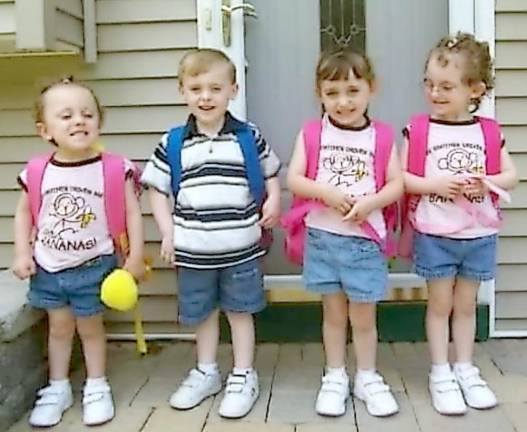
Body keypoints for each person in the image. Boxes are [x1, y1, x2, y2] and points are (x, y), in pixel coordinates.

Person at [141, 48, 281, 419]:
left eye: (215, 88)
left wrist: (274, 202)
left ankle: (242, 373)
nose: (206, 96)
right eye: (196, 88)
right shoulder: (173, 142)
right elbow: (156, 189)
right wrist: (168, 232)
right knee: (201, 313)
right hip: (193, 249)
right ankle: (206, 371)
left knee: (240, 311)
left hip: (241, 247)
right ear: (182, 92)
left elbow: (270, 173)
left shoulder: (248, 137)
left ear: (232, 90)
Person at [12, 77, 145, 427]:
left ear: (99, 121)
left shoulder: (114, 168)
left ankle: (96, 385)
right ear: (45, 130)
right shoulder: (38, 171)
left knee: (90, 327)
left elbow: (132, 213)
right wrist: (22, 254)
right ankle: (58, 387)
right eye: (66, 115)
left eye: (87, 114)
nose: (78, 121)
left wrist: (134, 259)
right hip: (49, 267)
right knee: (58, 328)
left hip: (94, 265)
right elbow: (25, 212)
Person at [401, 32, 518, 415]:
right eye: (429, 84)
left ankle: (465, 367)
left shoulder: (487, 131)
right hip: (435, 233)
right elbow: (403, 179)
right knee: (439, 305)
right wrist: (435, 184)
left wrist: (485, 182)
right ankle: (440, 372)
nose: (435, 93)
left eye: (446, 86)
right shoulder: (419, 130)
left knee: (466, 306)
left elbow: (511, 176)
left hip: (478, 236)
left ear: (475, 90)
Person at [286, 48, 403, 417]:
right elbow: (294, 179)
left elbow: (397, 184)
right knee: (334, 316)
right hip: (322, 240)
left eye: (353, 91)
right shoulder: (311, 133)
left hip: (365, 243)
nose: (343, 101)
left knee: (364, 318)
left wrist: (370, 203)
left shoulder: (381, 136)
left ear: (372, 88)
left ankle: (367, 377)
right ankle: (335, 376)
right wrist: (325, 192)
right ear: (319, 94)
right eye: (332, 92)